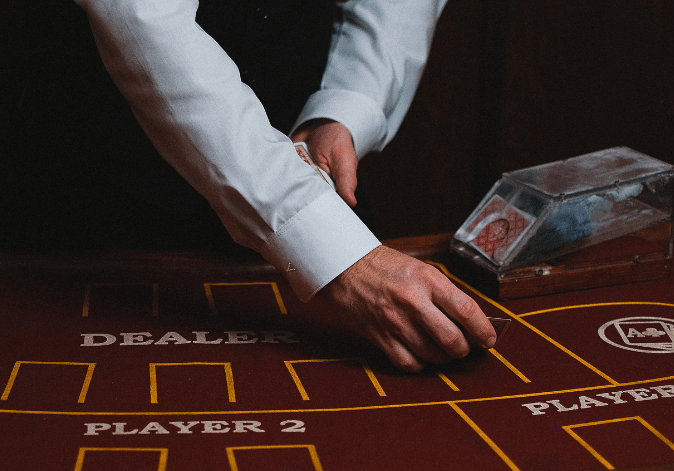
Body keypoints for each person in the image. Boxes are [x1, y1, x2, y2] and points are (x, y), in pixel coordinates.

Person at [68, 0, 496, 371]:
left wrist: (346, 103)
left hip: (309, 164)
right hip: (105, 202)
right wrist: (337, 254)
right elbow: (142, 17)